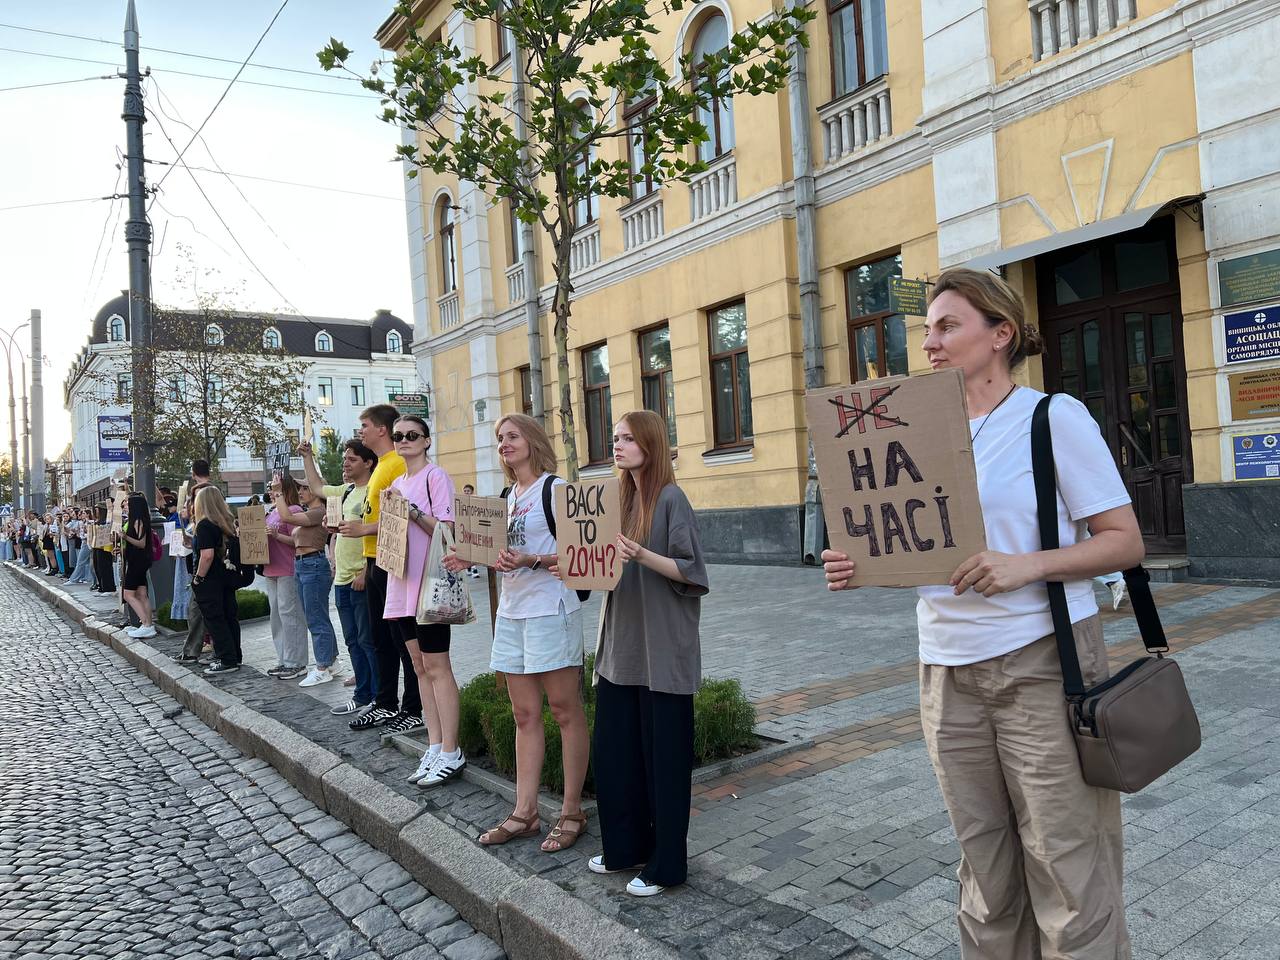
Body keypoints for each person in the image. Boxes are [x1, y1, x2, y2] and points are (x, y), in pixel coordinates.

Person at [822, 268, 1143, 959]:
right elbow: (926, 546)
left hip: (1043, 662)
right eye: (927, 329)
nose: (929, 343)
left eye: (947, 326)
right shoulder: (912, 431)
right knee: (985, 868)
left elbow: (1125, 541)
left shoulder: (1050, 418)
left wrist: (1027, 565)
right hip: (945, 671)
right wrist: (862, 563)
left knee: (1066, 862)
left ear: (1001, 334)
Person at [450, 413, 589, 849]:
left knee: (565, 711)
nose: (504, 444)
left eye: (512, 436)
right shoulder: (506, 498)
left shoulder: (555, 489)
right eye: (499, 438)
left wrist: (533, 560)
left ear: (532, 440)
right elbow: (499, 554)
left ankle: (572, 811)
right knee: (524, 715)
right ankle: (525, 812)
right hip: (511, 614)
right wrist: (471, 557)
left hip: (551, 610)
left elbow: (582, 552)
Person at [587, 410, 709, 896]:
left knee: (664, 763)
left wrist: (641, 554)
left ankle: (666, 866)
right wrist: (568, 565)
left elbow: (692, 571)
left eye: (628, 438)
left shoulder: (672, 498)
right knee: (618, 756)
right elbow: (596, 561)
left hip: (663, 649)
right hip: (621, 648)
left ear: (651, 444)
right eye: (615, 437)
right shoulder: (617, 498)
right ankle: (625, 848)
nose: (617, 445)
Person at [382, 415, 464, 784]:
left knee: (437, 665)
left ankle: (452, 750)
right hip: (401, 583)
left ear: (426, 440)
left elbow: (447, 530)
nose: (404, 440)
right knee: (418, 666)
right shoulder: (396, 483)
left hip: (429, 583)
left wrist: (411, 512)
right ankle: (434, 745)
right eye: (398, 436)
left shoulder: (435, 477)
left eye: (412, 435)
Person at [340, 404, 419, 734]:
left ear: (381, 430)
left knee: (404, 640)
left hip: (392, 560)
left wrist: (363, 529)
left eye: (365, 425)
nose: (361, 431)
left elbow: (403, 515)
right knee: (381, 638)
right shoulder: (383, 466)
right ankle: (386, 701)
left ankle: (413, 707)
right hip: (374, 560)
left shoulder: (397, 463)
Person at [299, 437, 379, 716]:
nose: (345, 463)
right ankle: (362, 694)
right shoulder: (347, 490)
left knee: (368, 640)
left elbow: (382, 532)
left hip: (361, 576)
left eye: (352, 459)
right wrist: (307, 457)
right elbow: (317, 487)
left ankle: (378, 696)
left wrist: (366, 570)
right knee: (352, 640)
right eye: (345, 458)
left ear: (368, 462)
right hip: (342, 578)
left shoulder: (374, 490)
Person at [278, 479, 340, 687]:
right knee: (317, 615)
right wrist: (276, 535)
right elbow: (296, 542)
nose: (301, 491)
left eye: (306, 488)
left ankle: (323, 667)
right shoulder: (310, 513)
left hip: (313, 565)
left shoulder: (319, 512)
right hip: (303, 564)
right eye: (300, 488)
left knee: (315, 618)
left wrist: (278, 493)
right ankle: (331, 661)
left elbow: (286, 516)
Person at [190, 486, 243, 675]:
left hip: (210, 580)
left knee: (215, 620)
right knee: (229, 617)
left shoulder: (205, 525)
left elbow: (207, 555)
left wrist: (198, 578)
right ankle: (234, 656)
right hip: (226, 577)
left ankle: (226, 659)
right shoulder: (226, 524)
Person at [263, 473, 308, 679]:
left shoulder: (294, 510)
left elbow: (297, 541)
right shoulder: (273, 511)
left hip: (287, 567)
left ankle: (296, 661)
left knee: (290, 615)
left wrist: (276, 535)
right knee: (277, 617)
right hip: (271, 568)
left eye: (275, 487)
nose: (271, 491)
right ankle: (283, 659)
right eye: (271, 487)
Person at [120, 493, 157, 638]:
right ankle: (148, 624)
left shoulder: (138, 522)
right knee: (142, 594)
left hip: (137, 562)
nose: (125, 506)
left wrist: (125, 537)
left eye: (128, 504)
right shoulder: (138, 521)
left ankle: (146, 624)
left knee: (128, 594)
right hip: (139, 560)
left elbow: (141, 543)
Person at [92, 505, 115, 593]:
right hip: (96, 545)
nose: (96, 512)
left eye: (97, 510)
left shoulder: (106, 521)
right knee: (97, 566)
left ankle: (108, 588)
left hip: (105, 546)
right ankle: (101, 587)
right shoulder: (97, 521)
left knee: (104, 567)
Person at [460, 483, 482, 579]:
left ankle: (473, 569)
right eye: (465, 491)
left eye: (468, 491)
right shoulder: (461, 502)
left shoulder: (475, 500)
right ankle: (469, 568)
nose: (466, 493)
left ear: (472, 492)